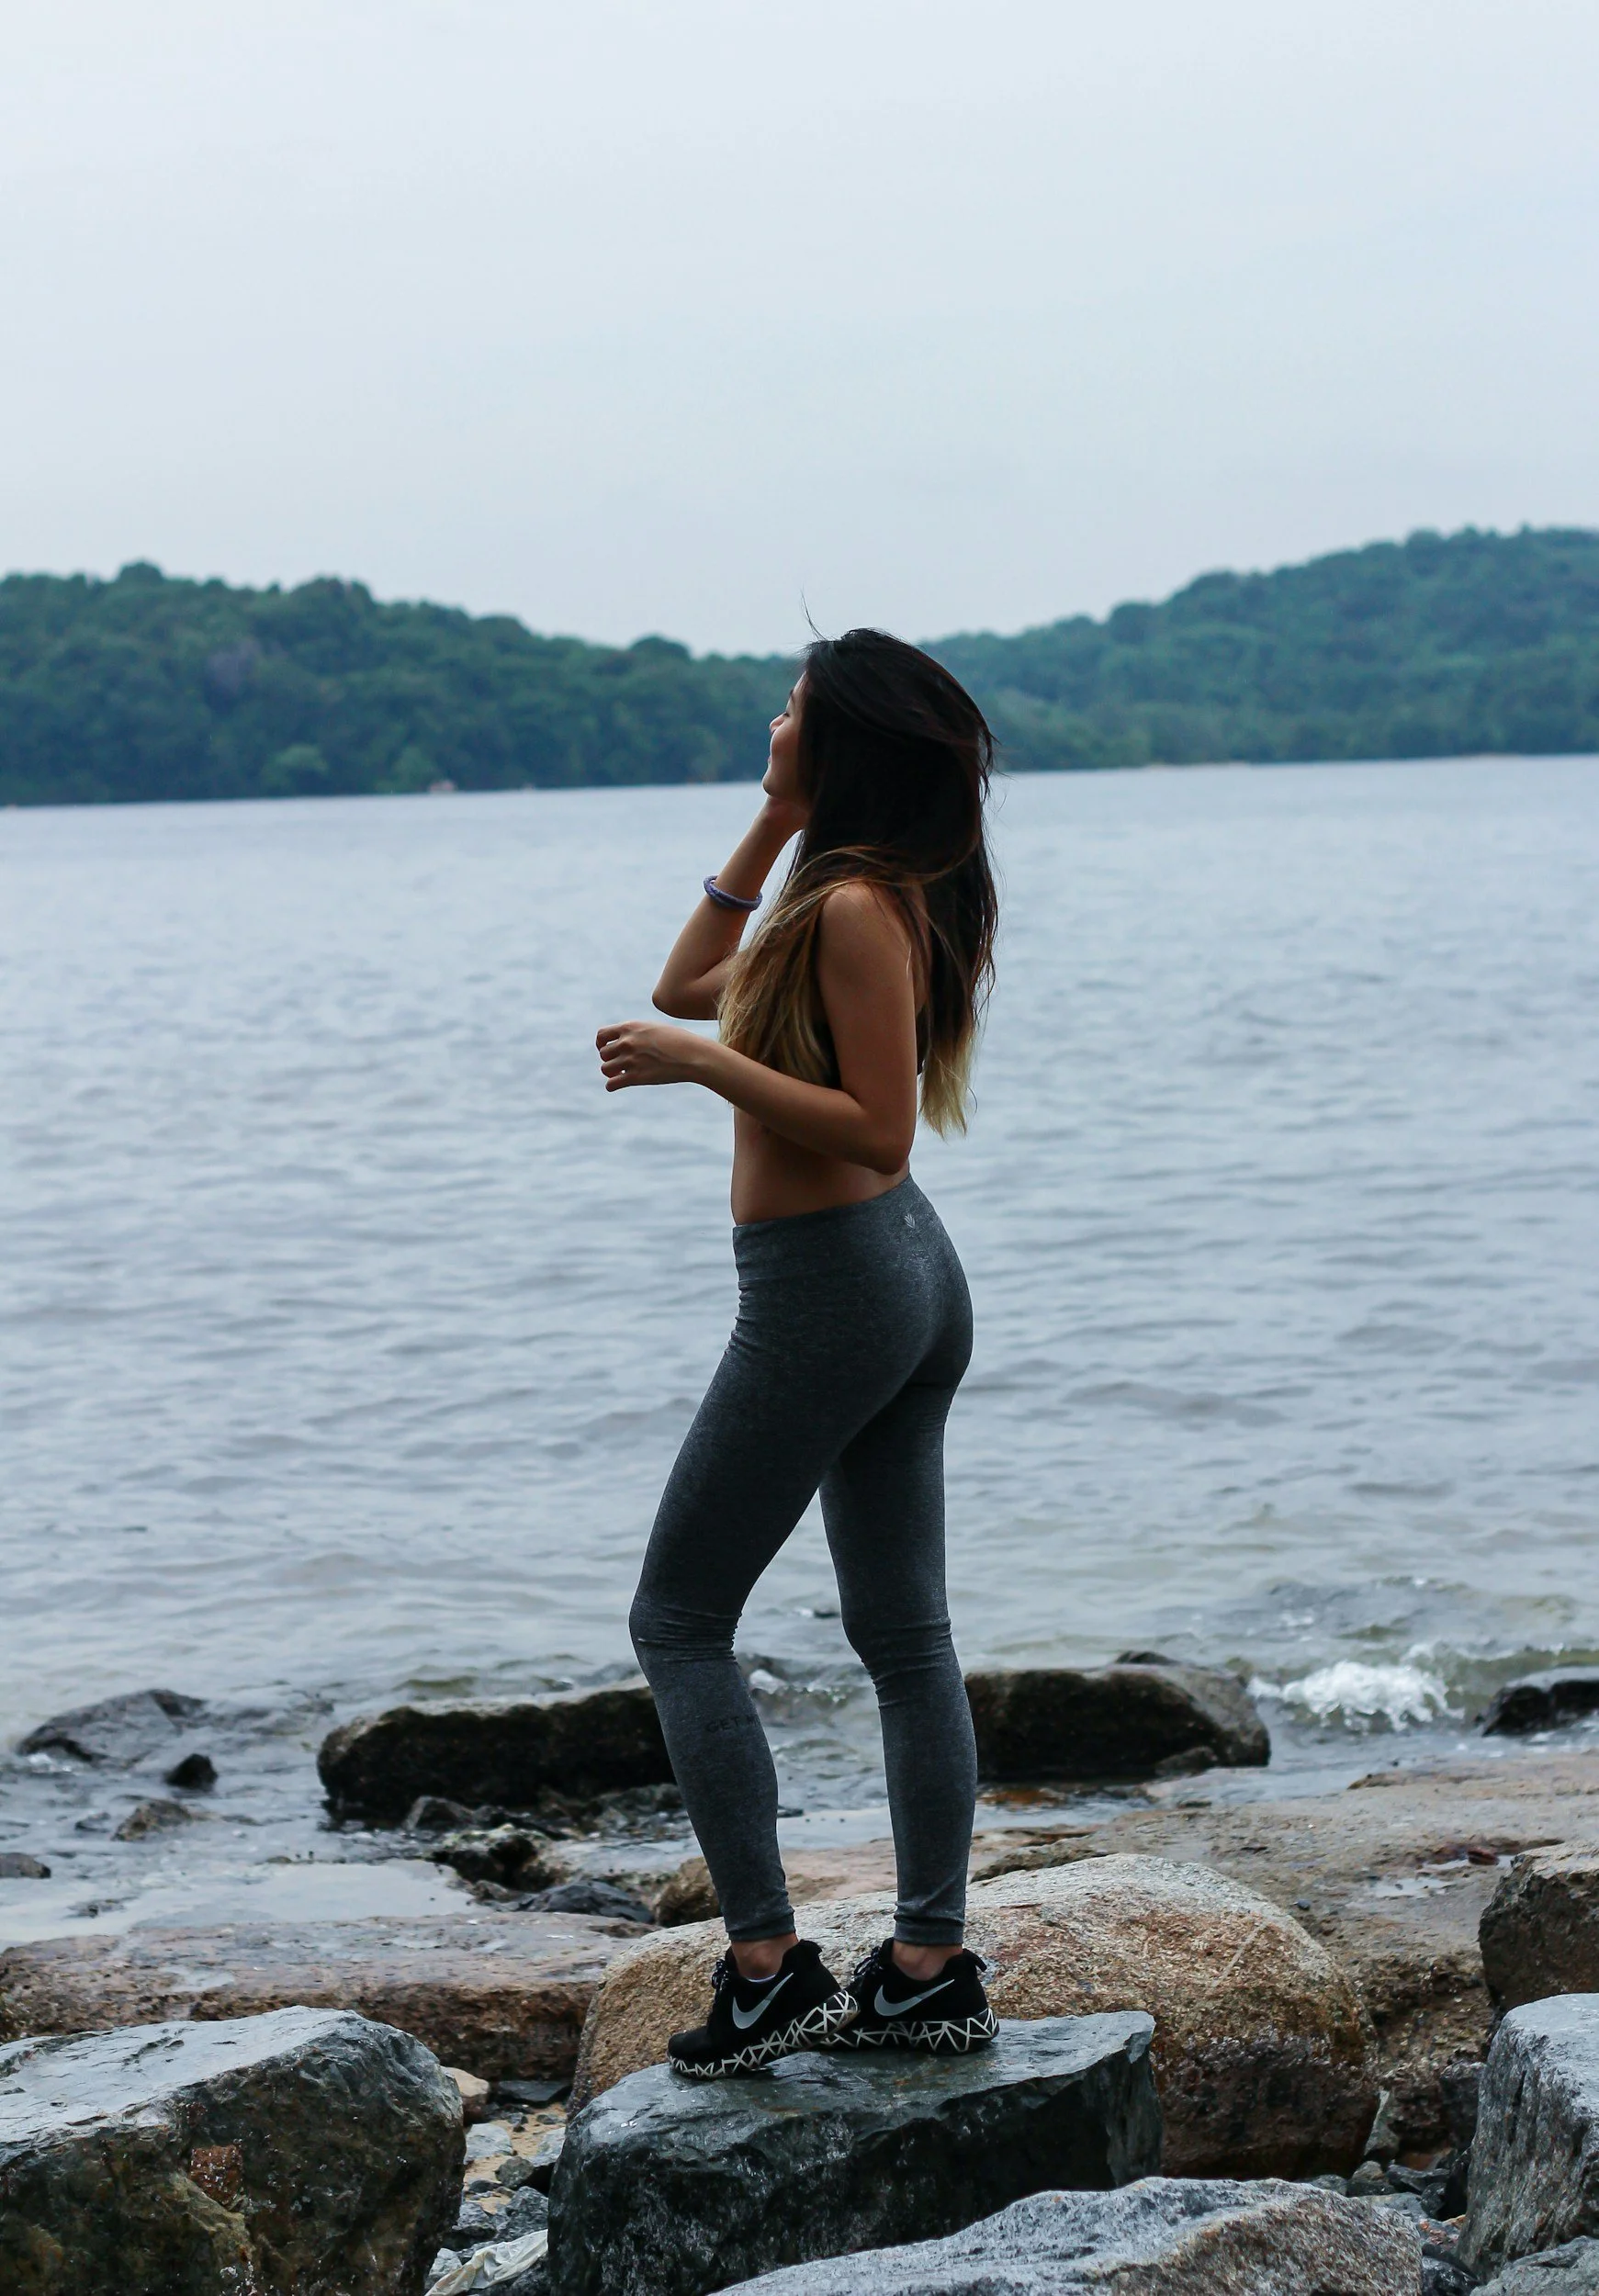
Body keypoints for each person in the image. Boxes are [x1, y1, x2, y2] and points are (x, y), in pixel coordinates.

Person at [596, 627, 999, 2077]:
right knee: (904, 1640)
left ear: (846, 746)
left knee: (676, 1619)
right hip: (900, 1277)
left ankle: (766, 1968)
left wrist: (700, 1068)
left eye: (793, 717)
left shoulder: (855, 911)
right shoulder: (846, 887)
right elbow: (690, 972)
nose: (772, 720)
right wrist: (772, 812)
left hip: (835, 1288)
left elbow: (879, 1127)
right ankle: (922, 1969)